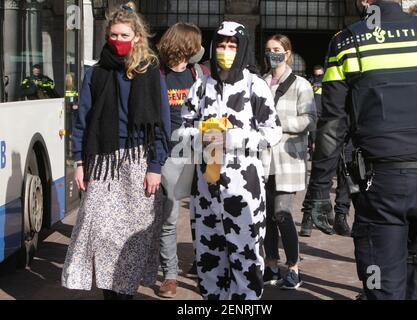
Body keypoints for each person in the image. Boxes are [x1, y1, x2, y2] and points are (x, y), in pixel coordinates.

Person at [303, 0, 417, 300]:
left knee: (381, 284)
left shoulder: (348, 41)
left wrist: (318, 192)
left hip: (381, 184)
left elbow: (333, 125)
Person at [61, 2, 170, 300]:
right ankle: (110, 291)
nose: (118, 41)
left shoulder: (150, 73)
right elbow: (82, 120)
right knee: (101, 232)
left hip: (139, 161)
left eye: (124, 35)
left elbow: (161, 124)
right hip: (103, 160)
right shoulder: (96, 73)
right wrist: (80, 162)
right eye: (113, 35)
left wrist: (155, 166)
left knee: (133, 236)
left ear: (137, 36)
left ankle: (125, 292)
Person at [180, 21, 282, 300]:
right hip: (206, 188)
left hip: (244, 185)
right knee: (208, 256)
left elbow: (273, 132)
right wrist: (198, 136)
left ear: (242, 48)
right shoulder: (201, 86)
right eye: (221, 44)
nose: (226, 50)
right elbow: (184, 127)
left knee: (246, 254)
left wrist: (234, 139)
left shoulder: (255, 86)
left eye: (232, 45)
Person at [156, 22, 210, 298]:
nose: (201, 48)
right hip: (169, 155)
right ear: (186, 44)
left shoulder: (200, 74)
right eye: (197, 42)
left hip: (200, 154)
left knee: (203, 217)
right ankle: (170, 275)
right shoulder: (157, 75)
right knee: (169, 215)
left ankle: (204, 269)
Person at [261, 34, 316, 289]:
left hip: (287, 158)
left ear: (287, 52)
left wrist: (278, 125)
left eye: (277, 49)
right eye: (269, 49)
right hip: (262, 160)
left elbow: (309, 119)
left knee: (282, 213)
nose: (273, 53)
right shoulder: (260, 83)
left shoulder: (301, 84)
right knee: (266, 216)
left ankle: (293, 267)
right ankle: (271, 265)